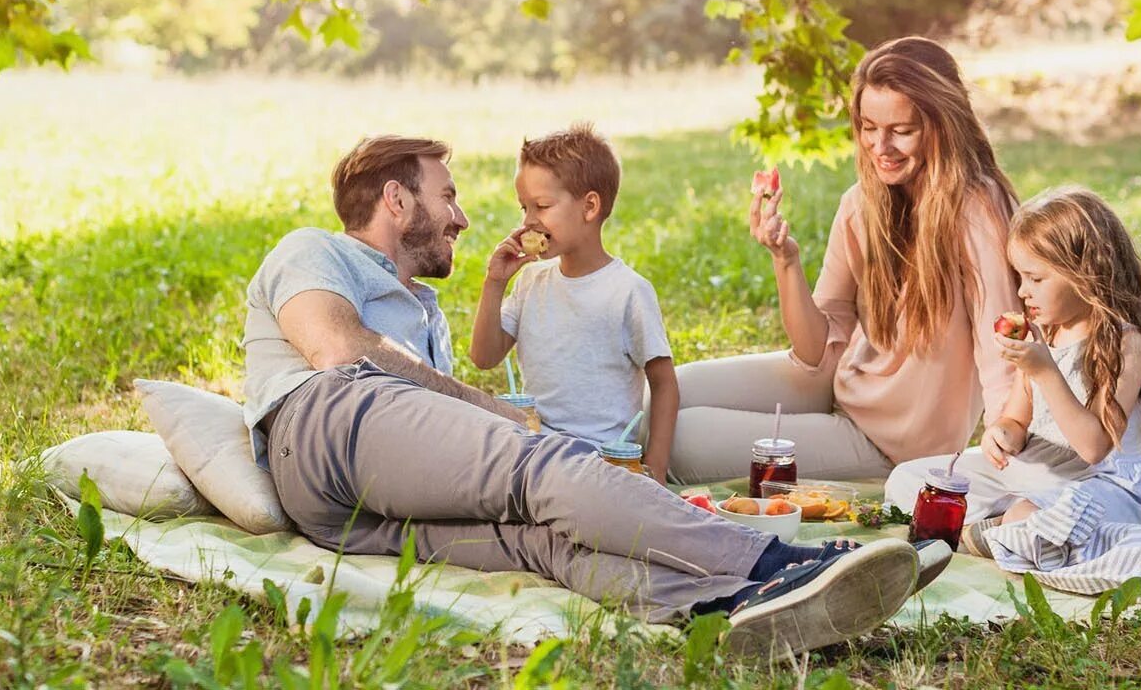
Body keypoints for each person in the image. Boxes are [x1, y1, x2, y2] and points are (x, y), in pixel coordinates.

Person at [240, 135, 933, 659]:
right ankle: (778, 560)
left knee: (543, 541)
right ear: (395, 200)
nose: (462, 217)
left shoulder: (421, 309)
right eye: (446, 195)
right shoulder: (313, 249)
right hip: (327, 420)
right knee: (545, 465)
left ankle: (728, 605)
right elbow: (335, 346)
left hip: (340, 511)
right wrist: (499, 414)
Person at [667, 37, 1023, 483]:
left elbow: (1003, 347)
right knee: (664, 395)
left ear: (942, 126)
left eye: (902, 130)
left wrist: (1008, 438)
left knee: (677, 440)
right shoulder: (861, 203)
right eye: (868, 126)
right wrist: (785, 259)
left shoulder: (977, 210)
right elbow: (815, 351)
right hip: (838, 386)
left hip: (891, 444)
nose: (880, 146)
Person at [885, 187, 1141, 605]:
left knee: (1045, 520)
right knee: (909, 481)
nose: (1023, 292)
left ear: (1086, 274)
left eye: (1036, 279)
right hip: (1037, 475)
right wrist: (1001, 434)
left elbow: (1094, 446)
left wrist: (1046, 371)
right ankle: (1004, 530)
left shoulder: (1125, 345)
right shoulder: (1047, 333)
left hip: (1099, 487)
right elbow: (1016, 420)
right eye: (1020, 277)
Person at [469, 124, 678, 482]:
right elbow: (484, 357)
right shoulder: (531, 281)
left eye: (542, 205)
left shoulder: (627, 291)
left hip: (600, 461)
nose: (529, 220)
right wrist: (495, 282)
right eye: (524, 208)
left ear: (590, 206)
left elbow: (664, 384)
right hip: (533, 451)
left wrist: (655, 469)